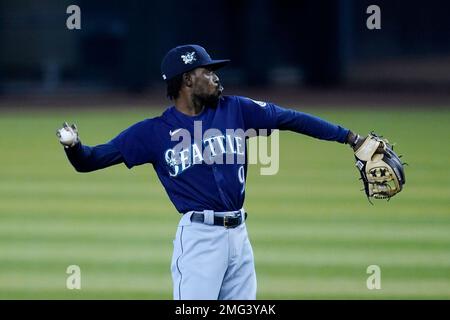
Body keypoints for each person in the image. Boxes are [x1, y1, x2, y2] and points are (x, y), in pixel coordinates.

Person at [56, 44, 363, 300]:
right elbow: (90, 161)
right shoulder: (152, 132)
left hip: (239, 238)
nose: (217, 78)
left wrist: (351, 138)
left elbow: (291, 119)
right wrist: (73, 146)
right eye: (209, 72)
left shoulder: (236, 109)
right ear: (188, 80)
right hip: (199, 240)